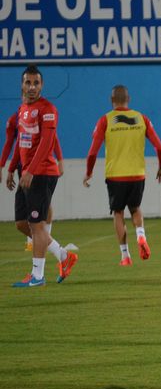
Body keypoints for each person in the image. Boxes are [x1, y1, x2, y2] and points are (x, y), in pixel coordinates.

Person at [5, 65, 78, 287]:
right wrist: (11, 168)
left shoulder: (48, 109)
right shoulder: (22, 110)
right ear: (22, 85)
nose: (32, 87)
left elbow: (47, 143)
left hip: (42, 173)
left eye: (36, 83)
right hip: (27, 173)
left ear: (42, 85)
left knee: (37, 225)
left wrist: (31, 170)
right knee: (21, 223)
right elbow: (21, 142)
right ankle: (63, 255)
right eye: (28, 82)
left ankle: (37, 276)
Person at [83, 85, 161, 265]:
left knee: (118, 212)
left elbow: (92, 152)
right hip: (137, 175)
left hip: (115, 176)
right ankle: (141, 235)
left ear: (111, 100)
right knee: (135, 208)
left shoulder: (105, 120)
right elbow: (160, 147)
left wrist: (89, 172)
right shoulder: (142, 118)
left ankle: (125, 256)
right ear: (129, 99)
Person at [2, 104, 63, 251]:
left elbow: (52, 138)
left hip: (40, 169)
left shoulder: (42, 114)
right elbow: (12, 144)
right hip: (23, 168)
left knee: (43, 206)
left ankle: (42, 240)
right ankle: (42, 241)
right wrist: (7, 167)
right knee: (23, 217)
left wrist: (60, 160)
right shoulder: (14, 120)